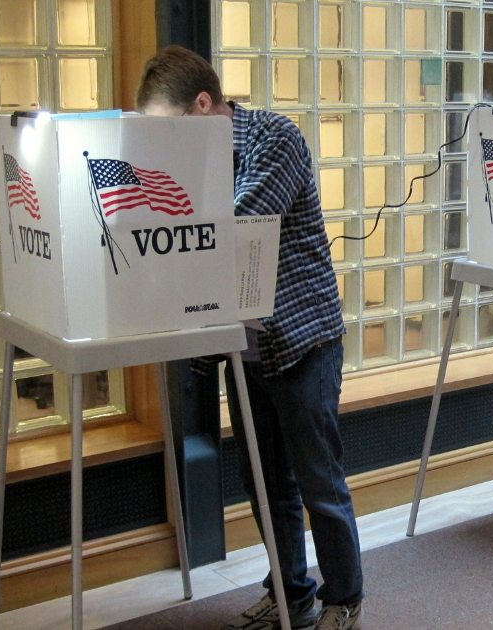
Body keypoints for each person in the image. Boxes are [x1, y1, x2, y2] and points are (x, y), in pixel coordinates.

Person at [136, 46, 363, 630]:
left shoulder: (274, 140)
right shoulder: (193, 157)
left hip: (302, 338)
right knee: (265, 485)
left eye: (170, 128)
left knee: (319, 483)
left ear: (204, 104)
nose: (166, 145)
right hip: (245, 349)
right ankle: (291, 595)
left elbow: (233, 224)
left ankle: (344, 600)